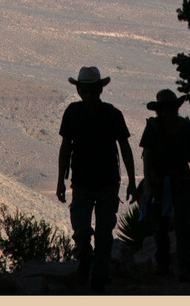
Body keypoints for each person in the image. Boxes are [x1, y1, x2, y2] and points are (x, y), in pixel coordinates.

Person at [57, 65, 136, 293]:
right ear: (79, 91)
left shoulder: (113, 115)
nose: (89, 95)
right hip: (81, 183)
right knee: (81, 232)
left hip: (108, 184)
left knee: (103, 235)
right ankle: (84, 262)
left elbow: (125, 148)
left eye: (93, 90)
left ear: (100, 90)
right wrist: (61, 180)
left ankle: (98, 280)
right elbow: (65, 148)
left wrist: (131, 180)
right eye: (85, 90)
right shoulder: (72, 113)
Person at [140, 88, 190, 283]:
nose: (167, 113)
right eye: (164, 110)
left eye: (171, 109)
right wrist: (148, 185)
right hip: (159, 181)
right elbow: (147, 157)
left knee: (182, 222)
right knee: (160, 225)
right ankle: (163, 264)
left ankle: (184, 266)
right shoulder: (152, 128)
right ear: (159, 111)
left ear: (176, 109)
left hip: (180, 180)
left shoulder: (185, 127)